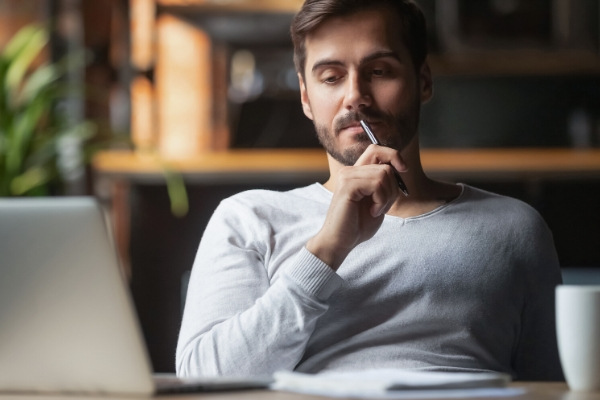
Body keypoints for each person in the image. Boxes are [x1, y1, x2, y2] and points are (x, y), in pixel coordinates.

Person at [176, 0, 563, 381]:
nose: (355, 96)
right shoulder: (249, 219)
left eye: (379, 71)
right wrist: (326, 250)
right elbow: (204, 379)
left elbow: (557, 386)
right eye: (331, 77)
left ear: (423, 81)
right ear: (306, 97)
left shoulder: (515, 228)